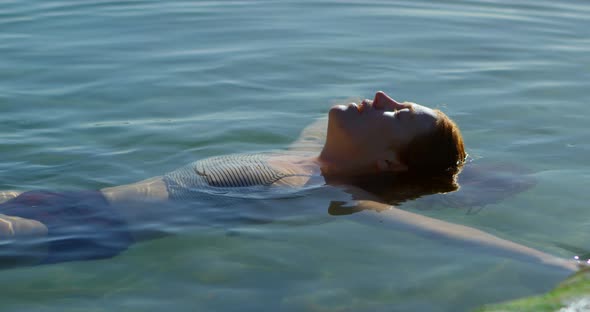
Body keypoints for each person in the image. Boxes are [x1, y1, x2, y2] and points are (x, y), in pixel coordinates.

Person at [0, 91, 580, 270]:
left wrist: (566, 269)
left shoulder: (329, 195)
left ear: (388, 164)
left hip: (77, 232)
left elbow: (444, 236)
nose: (380, 96)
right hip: (67, 202)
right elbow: (411, 167)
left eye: (397, 113)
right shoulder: (306, 154)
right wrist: (458, 172)